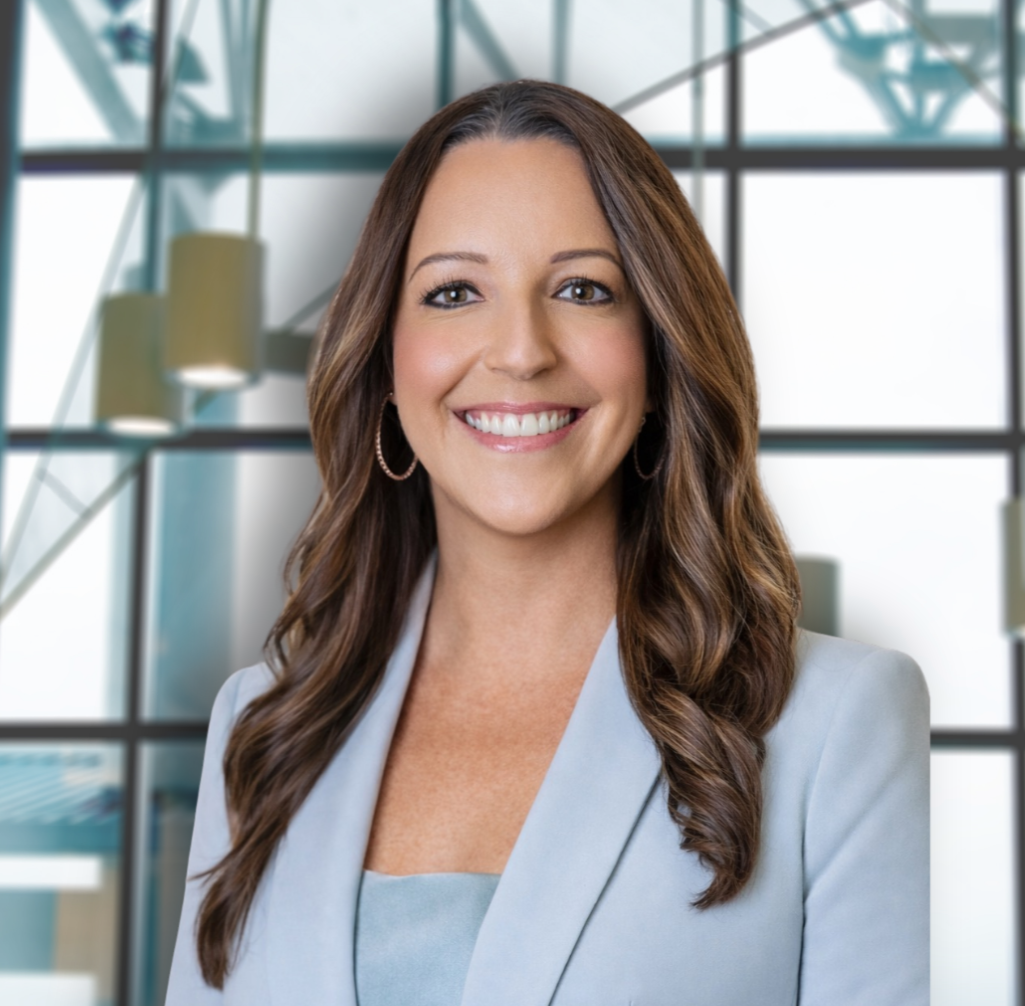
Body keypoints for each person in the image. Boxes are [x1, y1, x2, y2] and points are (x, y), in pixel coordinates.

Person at [166, 80, 929, 1006]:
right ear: (386, 367)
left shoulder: (833, 726)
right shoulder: (264, 731)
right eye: (453, 292)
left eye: (581, 288)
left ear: (656, 355)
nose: (521, 349)